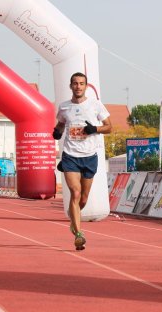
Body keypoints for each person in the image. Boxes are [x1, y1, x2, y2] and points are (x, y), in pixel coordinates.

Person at [53, 72, 112, 250]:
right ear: (70, 86)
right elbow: (61, 124)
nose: (78, 86)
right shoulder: (64, 107)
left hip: (89, 156)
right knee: (75, 193)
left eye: (81, 83)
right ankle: (79, 234)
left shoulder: (95, 105)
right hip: (70, 156)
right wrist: (57, 132)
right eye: (75, 83)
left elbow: (110, 127)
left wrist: (94, 128)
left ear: (86, 86)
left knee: (84, 199)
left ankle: (74, 220)